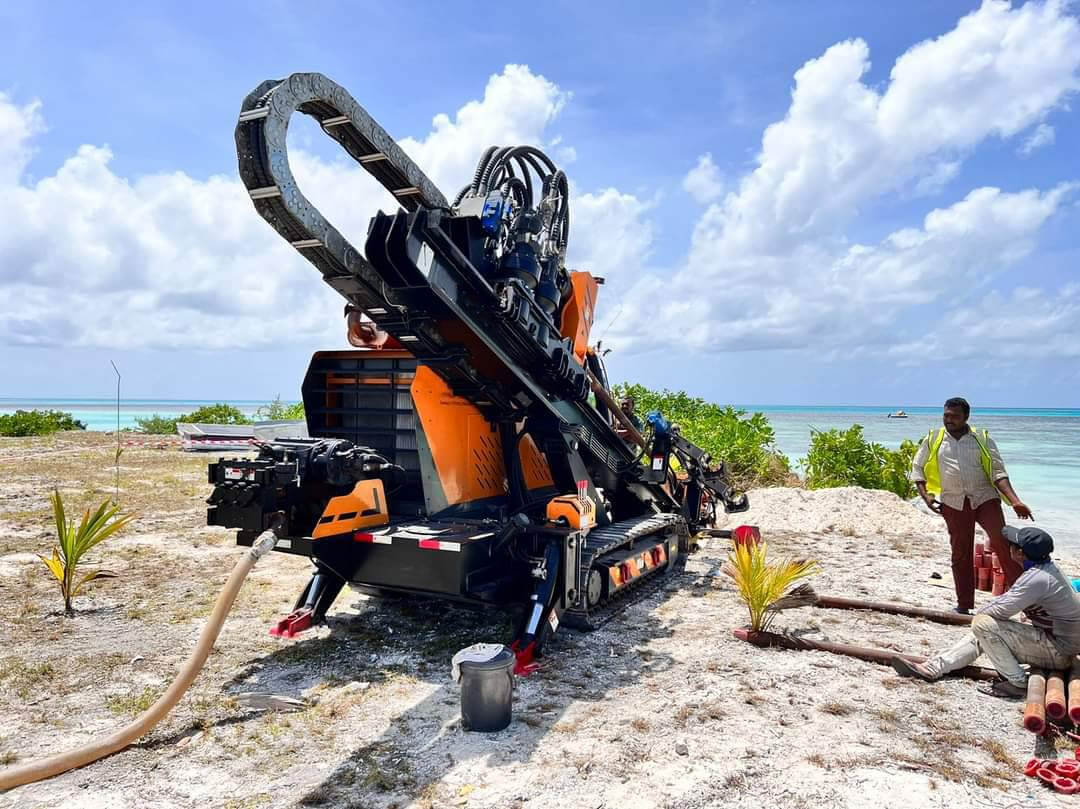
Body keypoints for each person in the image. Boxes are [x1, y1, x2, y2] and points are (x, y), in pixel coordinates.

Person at [890, 526, 1080, 698]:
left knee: (983, 625)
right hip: (1059, 645)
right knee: (986, 630)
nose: (1009, 547)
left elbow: (997, 611)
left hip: (1059, 651)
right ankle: (933, 668)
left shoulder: (1036, 579)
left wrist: (984, 615)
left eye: (1012, 545)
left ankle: (1018, 683)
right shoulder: (1048, 569)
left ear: (1020, 553)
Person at [910, 397, 1033, 614]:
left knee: (1004, 546)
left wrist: (1015, 501)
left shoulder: (982, 439)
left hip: (985, 498)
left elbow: (998, 472)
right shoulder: (934, 439)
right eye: (946, 415)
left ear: (966, 417)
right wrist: (926, 496)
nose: (949, 420)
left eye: (955, 417)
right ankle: (964, 605)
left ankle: (1024, 604)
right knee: (960, 553)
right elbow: (917, 469)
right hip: (953, 501)